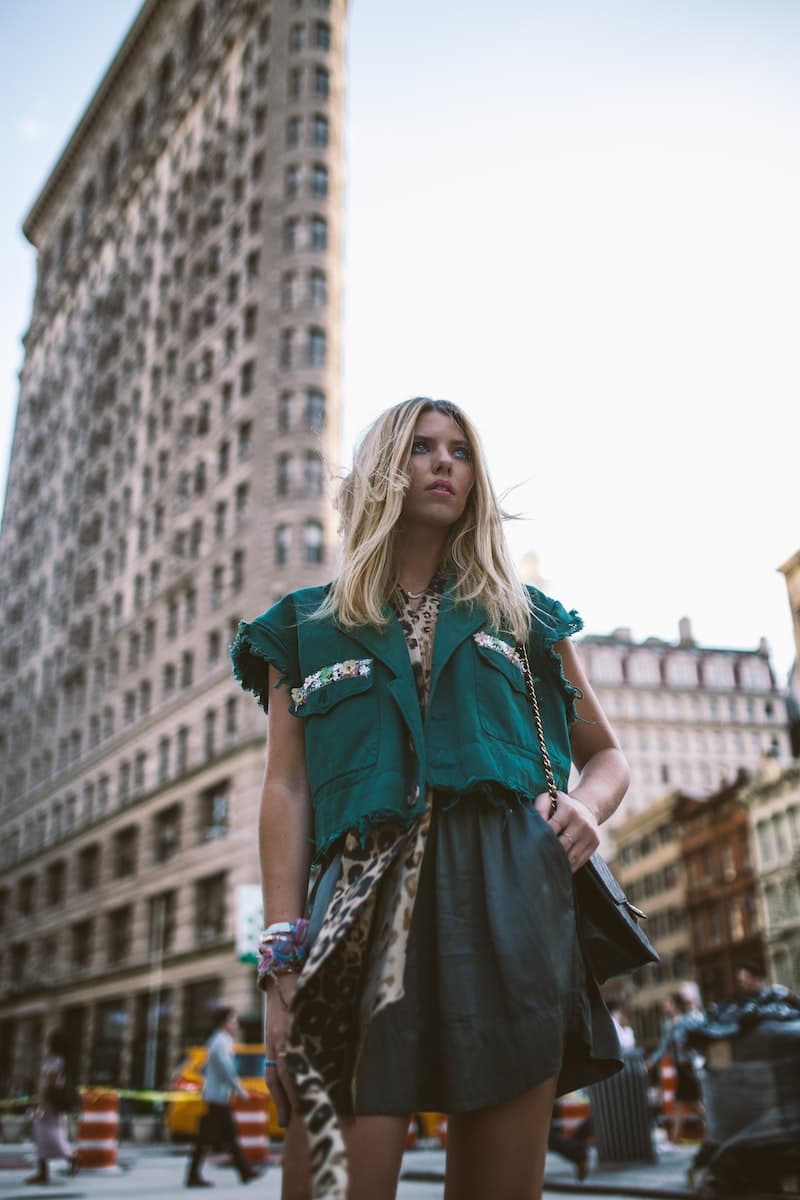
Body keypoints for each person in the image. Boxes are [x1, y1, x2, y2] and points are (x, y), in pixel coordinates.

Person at [231, 396, 630, 1200]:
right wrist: (280, 957)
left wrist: (587, 807)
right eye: (420, 447)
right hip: (356, 906)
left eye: (459, 449)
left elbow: (607, 755)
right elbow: (286, 786)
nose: (444, 462)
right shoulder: (301, 628)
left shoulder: (525, 620)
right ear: (384, 469)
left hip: (508, 898)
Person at [184, 1008, 256, 1188]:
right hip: (217, 1098)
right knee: (208, 1139)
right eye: (233, 1020)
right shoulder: (221, 1042)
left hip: (218, 1097)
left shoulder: (218, 1041)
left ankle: (245, 1172)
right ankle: (244, 1172)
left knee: (226, 1137)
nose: (236, 1024)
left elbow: (207, 1068)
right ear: (224, 1023)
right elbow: (227, 1070)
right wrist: (240, 1090)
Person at [648, 991, 705, 1145]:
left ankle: (675, 1140)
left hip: (688, 1067)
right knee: (684, 1104)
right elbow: (663, 1047)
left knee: (692, 1104)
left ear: (675, 1005)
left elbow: (696, 1041)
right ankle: (675, 1139)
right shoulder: (669, 1024)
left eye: (667, 1003)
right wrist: (653, 1060)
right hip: (681, 1067)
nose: (665, 1007)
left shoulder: (687, 1021)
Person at [26, 1029, 78, 1185]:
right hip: (54, 1104)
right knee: (49, 1134)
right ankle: (48, 1169)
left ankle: (66, 1161)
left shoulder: (55, 1061)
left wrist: (38, 1101)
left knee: (46, 1134)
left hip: (49, 1104)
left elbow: (50, 1083)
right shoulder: (62, 1061)